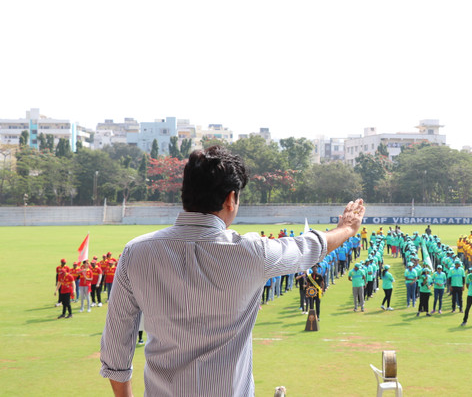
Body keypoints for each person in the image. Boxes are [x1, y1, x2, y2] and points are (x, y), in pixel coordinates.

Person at [100, 145, 365, 397]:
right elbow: (307, 247)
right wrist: (346, 228)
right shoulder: (251, 252)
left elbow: (116, 348)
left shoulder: (136, 252)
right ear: (230, 199)